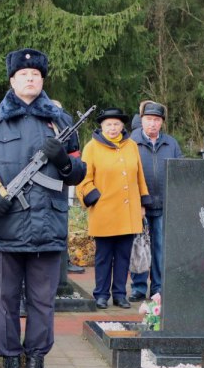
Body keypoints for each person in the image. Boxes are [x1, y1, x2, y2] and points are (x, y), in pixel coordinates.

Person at [0, 48, 85, 368]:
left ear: (43, 80)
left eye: (36, 74)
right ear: (12, 80)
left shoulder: (61, 121)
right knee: (5, 302)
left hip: (47, 230)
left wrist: (63, 163)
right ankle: (11, 367)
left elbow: (78, 172)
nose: (30, 78)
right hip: (5, 229)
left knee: (43, 303)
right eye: (24, 73)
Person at [77, 107, 151, 310]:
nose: (112, 128)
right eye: (108, 124)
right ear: (101, 126)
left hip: (128, 213)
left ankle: (119, 294)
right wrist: (95, 199)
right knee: (103, 257)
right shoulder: (91, 147)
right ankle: (101, 294)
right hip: (104, 212)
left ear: (122, 126)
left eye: (116, 124)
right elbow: (84, 179)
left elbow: (139, 176)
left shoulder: (132, 146)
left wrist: (143, 202)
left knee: (123, 256)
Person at [129, 101, 182, 302]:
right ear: (141, 120)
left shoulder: (171, 143)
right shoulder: (131, 142)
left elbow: (180, 171)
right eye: (149, 119)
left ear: (162, 123)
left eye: (157, 120)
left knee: (160, 248)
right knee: (139, 247)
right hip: (139, 206)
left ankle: (158, 287)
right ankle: (138, 287)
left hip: (163, 205)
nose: (152, 124)